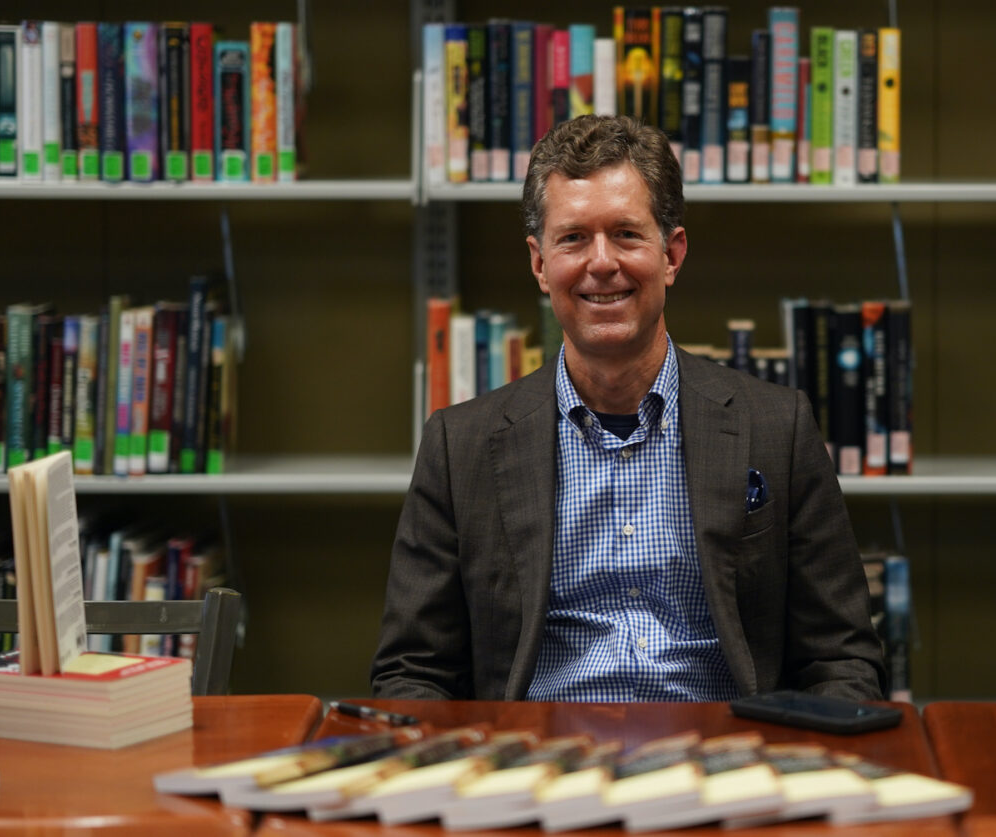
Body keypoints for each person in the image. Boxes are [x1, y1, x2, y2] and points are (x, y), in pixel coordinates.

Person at [371, 114, 885, 702]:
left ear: (672, 253)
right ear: (540, 264)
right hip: (536, 768)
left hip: (725, 762)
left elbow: (842, 658)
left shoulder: (777, 429)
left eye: (625, 234)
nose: (601, 262)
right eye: (573, 238)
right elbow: (413, 673)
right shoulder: (458, 447)